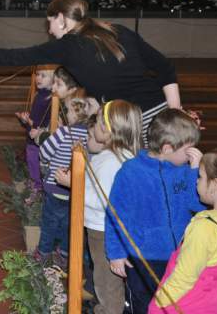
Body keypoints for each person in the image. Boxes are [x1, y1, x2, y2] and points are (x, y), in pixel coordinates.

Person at [0, 0, 180, 140]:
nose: (49, 30)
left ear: (61, 18)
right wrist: (175, 114)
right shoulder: (118, 30)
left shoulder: (68, 46)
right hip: (158, 112)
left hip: (134, 124)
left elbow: (8, 57)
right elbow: (165, 68)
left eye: (49, 22)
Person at [105, 109, 205, 314]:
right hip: (143, 256)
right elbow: (116, 215)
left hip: (178, 255)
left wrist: (194, 172)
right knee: (141, 304)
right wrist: (116, 253)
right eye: (188, 150)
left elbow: (197, 205)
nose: (191, 154)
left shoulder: (184, 170)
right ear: (167, 148)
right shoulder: (131, 172)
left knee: (173, 302)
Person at [57, 100, 143, 314]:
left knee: (106, 280)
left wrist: (74, 185)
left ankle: (109, 310)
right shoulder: (122, 155)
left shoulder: (110, 161)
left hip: (103, 230)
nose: (93, 127)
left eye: (96, 123)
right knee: (106, 276)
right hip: (110, 228)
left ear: (106, 129)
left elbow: (104, 201)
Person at [148, 148, 217, 314]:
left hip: (189, 303)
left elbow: (184, 277)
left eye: (200, 177)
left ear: (216, 184)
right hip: (216, 302)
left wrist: (158, 306)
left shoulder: (205, 228)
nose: (197, 181)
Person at [37, 97, 91, 268]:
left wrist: (45, 162)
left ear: (74, 115)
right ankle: (65, 255)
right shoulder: (89, 137)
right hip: (74, 190)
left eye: (67, 111)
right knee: (69, 224)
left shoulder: (63, 133)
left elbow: (44, 152)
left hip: (55, 187)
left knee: (49, 223)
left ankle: (44, 253)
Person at [16, 66, 55, 188]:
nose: (38, 78)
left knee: (36, 163)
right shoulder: (39, 95)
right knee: (31, 162)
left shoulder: (50, 99)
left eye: (43, 76)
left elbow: (46, 124)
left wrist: (29, 121)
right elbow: (34, 118)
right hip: (31, 138)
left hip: (38, 140)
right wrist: (25, 119)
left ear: (53, 79)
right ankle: (34, 181)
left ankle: (37, 187)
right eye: (37, 74)